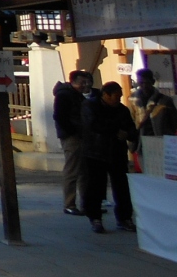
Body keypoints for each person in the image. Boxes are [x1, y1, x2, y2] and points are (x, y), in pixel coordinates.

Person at [81, 81, 138, 234]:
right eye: (116, 97)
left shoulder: (122, 110)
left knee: (122, 187)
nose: (118, 100)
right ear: (105, 95)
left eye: (120, 97)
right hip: (95, 152)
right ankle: (95, 218)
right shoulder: (90, 106)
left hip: (117, 152)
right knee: (95, 187)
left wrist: (128, 134)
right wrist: (117, 130)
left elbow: (132, 129)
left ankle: (124, 218)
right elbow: (94, 125)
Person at [53, 70, 93, 214]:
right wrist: (72, 131)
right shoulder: (64, 95)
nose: (85, 85)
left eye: (86, 82)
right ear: (73, 82)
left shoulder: (77, 95)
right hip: (72, 136)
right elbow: (60, 116)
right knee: (72, 169)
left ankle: (86, 204)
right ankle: (69, 204)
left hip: (80, 134)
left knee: (84, 171)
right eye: (82, 82)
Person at [131, 68, 177, 138]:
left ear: (153, 82)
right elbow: (131, 123)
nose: (144, 86)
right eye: (141, 83)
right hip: (142, 140)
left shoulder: (165, 101)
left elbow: (174, 122)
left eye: (147, 83)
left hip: (163, 140)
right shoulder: (133, 101)